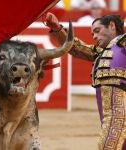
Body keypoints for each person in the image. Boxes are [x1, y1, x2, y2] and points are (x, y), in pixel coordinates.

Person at [45, 12, 126, 149]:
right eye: (92, 34)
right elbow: (75, 48)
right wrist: (58, 29)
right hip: (108, 117)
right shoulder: (100, 52)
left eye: (97, 31)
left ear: (112, 26)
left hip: (119, 115)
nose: (94, 36)